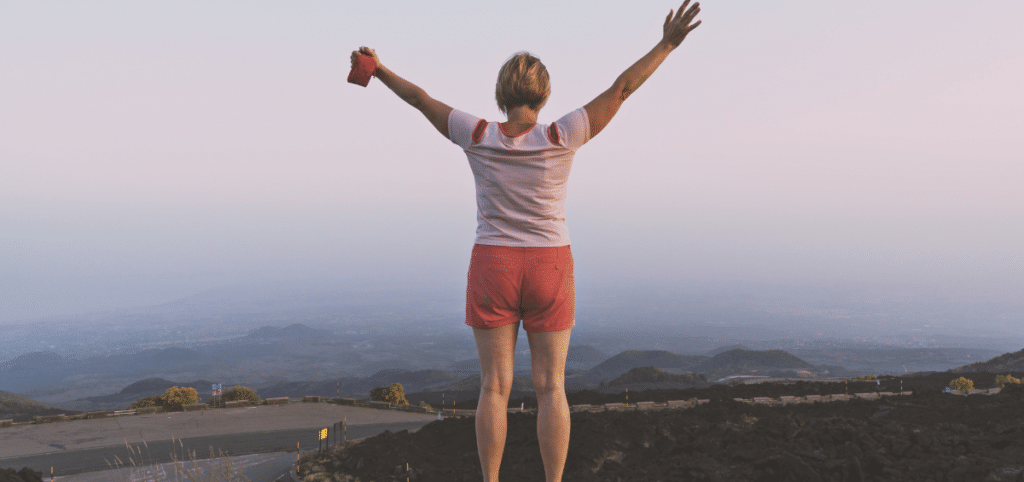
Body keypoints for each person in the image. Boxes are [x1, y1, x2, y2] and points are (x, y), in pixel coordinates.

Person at [351, 2, 701, 480]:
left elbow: (419, 98)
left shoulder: (476, 134)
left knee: (493, 388)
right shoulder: (563, 135)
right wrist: (667, 44)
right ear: (544, 95)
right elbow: (622, 88)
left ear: (501, 94)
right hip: (549, 265)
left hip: (492, 264)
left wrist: (378, 68)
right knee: (550, 388)